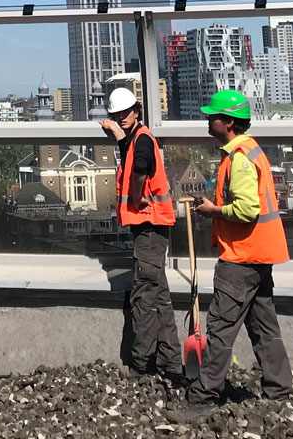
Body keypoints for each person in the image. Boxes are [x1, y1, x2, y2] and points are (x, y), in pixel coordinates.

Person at [172, 89, 293, 422]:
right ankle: (279, 391)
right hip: (258, 256)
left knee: (221, 329)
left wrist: (213, 211)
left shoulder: (239, 159)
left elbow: (247, 209)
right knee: (264, 326)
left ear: (228, 122)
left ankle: (201, 399)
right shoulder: (251, 150)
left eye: (213, 116)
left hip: (240, 258)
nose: (208, 120)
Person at [98, 86, 180, 380]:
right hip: (151, 227)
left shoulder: (142, 141)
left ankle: (141, 363)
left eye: (125, 112)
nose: (121, 117)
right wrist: (117, 134)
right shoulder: (136, 139)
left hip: (149, 227)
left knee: (144, 296)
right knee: (159, 296)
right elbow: (130, 154)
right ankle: (171, 362)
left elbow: (138, 169)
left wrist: (136, 195)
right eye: (116, 114)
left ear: (136, 110)